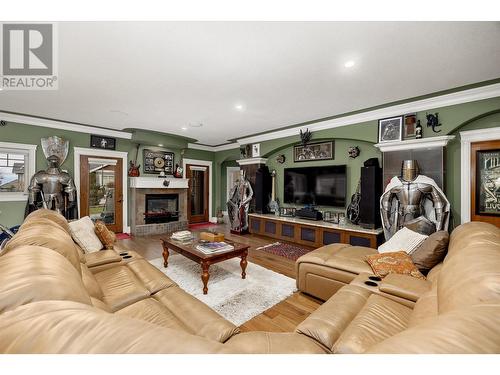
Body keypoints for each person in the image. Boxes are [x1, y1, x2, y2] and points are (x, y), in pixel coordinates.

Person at [227, 169, 254, 234]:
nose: (241, 176)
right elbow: (236, 193)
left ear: (244, 175)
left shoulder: (247, 182)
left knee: (244, 214)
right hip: (238, 200)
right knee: (233, 209)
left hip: (245, 200)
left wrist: (245, 201)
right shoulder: (239, 183)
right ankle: (235, 224)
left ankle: (245, 226)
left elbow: (251, 193)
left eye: (242, 175)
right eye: (240, 175)